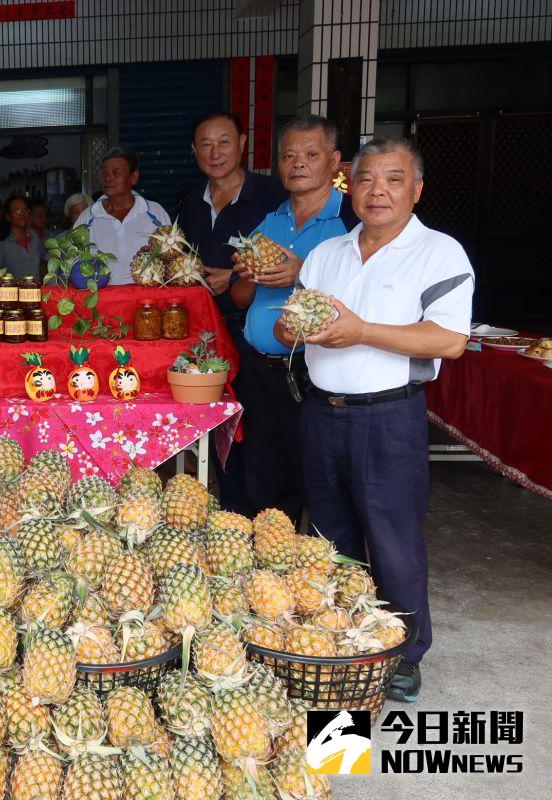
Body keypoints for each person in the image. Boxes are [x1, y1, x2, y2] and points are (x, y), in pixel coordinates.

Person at [275, 136, 474, 703]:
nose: (378, 191)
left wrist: (361, 331)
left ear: (416, 189)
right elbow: (296, 322)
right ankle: (344, 646)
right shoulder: (327, 255)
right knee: (328, 537)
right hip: (320, 412)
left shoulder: (439, 253)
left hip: (388, 417)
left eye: (393, 179)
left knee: (394, 540)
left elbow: (450, 339)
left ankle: (405, 654)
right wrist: (291, 330)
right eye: (366, 179)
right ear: (350, 186)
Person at [229, 115, 358, 521]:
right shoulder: (269, 222)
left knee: (319, 478)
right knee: (264, 476)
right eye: (288, 155)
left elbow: (362, 298)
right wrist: (248, 276)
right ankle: (272, 566)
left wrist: (300, 272)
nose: (298, 163)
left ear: (334, 161)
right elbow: (238, 297)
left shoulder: (351, 222)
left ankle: (316, 569)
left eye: (311, 154)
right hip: (261, 370)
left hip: (314, 371)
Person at [177, 112, 290, 516]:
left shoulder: (273, 196)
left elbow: (289, 255)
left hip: (256, 332)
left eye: (224, 142)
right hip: (207, 337)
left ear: (243, 142)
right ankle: (232, 513)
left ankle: (270, 522)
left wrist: (242, 277)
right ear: (194, 151)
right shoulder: (191, 203)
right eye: (205, 144)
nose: (215, 152)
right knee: (222, 428)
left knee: (260, 432)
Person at [73, 147, 169, 284]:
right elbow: (73, 263)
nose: (108, 178)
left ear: (133, 177)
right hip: (101, 301)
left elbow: (171, 258)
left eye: (115, 173)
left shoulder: (155, 213)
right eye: (104, 173)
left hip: (146, 300)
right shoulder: (87, 218)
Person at [0, 194, 46, 280]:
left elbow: (42, 264)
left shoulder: (34, 237)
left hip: (34, 291)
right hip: (10, 292)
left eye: (25, 210)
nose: (22, 214)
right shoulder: (0, 242)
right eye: (17, 210)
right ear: (8, 216)